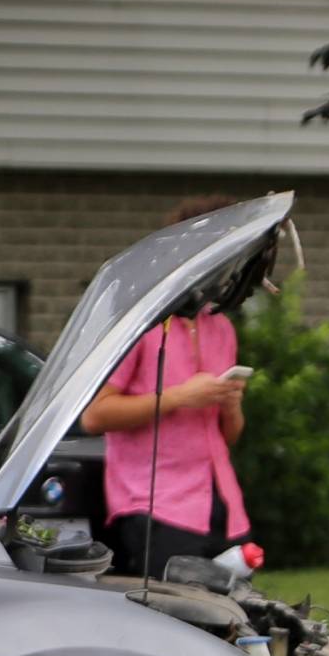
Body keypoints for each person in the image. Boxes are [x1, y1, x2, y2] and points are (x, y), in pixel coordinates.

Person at [79, 195, 252, 581]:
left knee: (235, 623)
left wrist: (231, 406)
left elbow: (229, 436)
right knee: (176, 624)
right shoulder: (143, 325)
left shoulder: (219, 327)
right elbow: (95, 416)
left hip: (222, 507)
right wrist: (178, 398)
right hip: (157, 507)